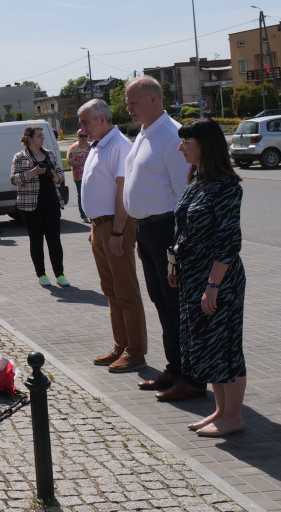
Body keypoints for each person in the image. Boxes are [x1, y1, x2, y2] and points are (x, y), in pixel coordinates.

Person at [123, 77, 206, 402]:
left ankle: (192, 377)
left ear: (154, 99)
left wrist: (176, 245)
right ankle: (176, 367)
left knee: (177, 305)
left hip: (167, 231)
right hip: (148, 231)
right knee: (161, 301)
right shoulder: (145, 133)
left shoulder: (172, 136)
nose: (128, 109)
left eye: (133, 103)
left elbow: (184, 195)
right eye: (128, 103)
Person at [173, 118, 247, 437]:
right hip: (194, 275)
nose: (181, 148)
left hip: (219, 278)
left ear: (204, 145)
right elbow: (186, 229)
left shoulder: (226, 186)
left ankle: (234, 416)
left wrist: (213, 284)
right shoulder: (197, 180)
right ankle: (220, 410)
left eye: (186, 143)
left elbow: (228, 241)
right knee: (206, 344)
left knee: (225, 344)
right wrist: (175, 267)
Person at [79, 98, 148, 374]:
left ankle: (135, 351)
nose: (82, 129)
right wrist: (95, 228)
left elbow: (123, 193)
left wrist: (117, 231)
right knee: (111, 290)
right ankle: (121, 345)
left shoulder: (119, 146)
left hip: (114, 226)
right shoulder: (100, 145)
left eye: (85, 123)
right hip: (101, 226)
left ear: (102, 120)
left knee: (126, 291)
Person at [10, 125, 68, 286]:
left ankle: (60, 274)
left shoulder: (49, 154)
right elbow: (14, 179)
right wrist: (32, 172)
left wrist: (55, 177)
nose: (43, 138)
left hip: (52, 203)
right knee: (36, 241)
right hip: (31, 206)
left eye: (43, 135)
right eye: (39, 135)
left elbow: (60, 176)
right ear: (29, 138)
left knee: (54, 240)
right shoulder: (20, 157)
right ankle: (42, 275)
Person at [66, 130, 91, 222]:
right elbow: (69, 161)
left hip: (91, 176)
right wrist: (82, 164)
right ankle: (83, 215)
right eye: (81, 136)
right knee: (81, 195)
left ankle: (92, 214)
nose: (83, 138)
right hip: (79, 176)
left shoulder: (92, 147)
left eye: (85, 136)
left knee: (92, 195)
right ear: (77, 136)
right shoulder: (73, 148)